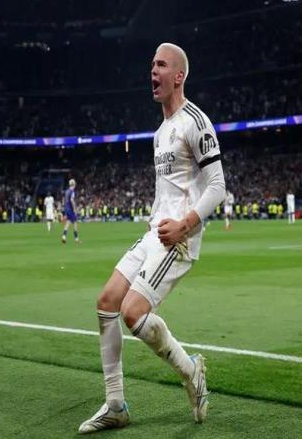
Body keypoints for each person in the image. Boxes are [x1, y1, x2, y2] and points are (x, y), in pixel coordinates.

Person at [78, 42, 226, 434]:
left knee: (132, 311)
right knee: (107, 302)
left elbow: (217, 187)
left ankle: (191, 372)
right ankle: (115, 405)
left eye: (161, 65)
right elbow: (168, 190)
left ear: (179, 75)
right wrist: (156, 219)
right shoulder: (160, 133)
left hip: (178, 239)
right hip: (155, 234)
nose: (153, 71)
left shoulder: (196, 121)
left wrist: (185, 225)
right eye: (152, 65)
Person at [62, 179, 80, 243]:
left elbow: (65, 200)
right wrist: (74, 208)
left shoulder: (67, 191)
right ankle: (76, 239)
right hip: (71, 209)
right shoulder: (72, 191)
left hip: (67, 209)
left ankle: (64, 236)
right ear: (73, 184)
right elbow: (72, 200)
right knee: (75, 223)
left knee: (68, 222)